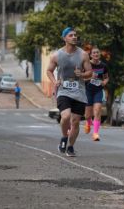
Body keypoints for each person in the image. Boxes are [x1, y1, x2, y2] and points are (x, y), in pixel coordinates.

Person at [47, 27, 92, 157]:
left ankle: (71, 147)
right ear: (64, 38)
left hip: (79, 91)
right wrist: (54, 81)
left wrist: (82, 74)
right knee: (66, 116)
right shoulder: (57, 55)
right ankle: (64, 137)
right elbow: (49, 70)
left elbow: (90, 73)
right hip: (63, 91)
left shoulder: (83, 54)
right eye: (71, 35)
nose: (74, 37)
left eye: (75, 35)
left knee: (76, 121)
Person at [84, 47, 109, 141]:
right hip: (88, 90)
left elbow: (106, 77)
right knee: (87, 115)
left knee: (98, 110)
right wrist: (89, 78)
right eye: (94, 53)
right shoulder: (87, 65)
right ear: (90, 55)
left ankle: (95, 133)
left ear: (99, 54)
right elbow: (81, 78)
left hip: (98, 90)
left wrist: (105, 82)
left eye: (97, 53)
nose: (96, 54)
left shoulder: (103, 66)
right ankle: (88, 122)